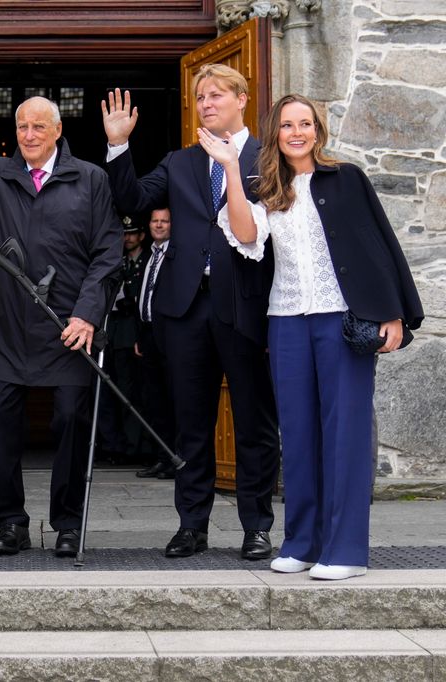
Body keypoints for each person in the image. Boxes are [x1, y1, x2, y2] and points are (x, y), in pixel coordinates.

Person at [203, 93, 423, 580]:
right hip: (285, 320)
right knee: (297, 436)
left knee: (344, 434)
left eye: (305, 123)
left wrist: (392, 313)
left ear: (318, 131)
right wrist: (232, 170)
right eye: (287, 125)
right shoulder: (265, 187)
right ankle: (301, 543)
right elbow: (242, 235)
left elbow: (378, 245)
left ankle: (345, 551)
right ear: (275, 134)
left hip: (341, 319)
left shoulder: (346, 179)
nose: (296, 132)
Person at [102, 63, 280, 560]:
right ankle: (192, 525)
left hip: (246, 307)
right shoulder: (180, 162)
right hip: (184, 310)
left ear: (242, 99)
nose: (206, 103)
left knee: (254, 421)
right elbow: (133, 201)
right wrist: (119, 145)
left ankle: (256, 526)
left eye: (216, 94)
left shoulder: (268, 158)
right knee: (191, 424)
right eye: (200, 97)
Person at [0, 76, 122, 558]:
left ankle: (67, 522)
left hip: (68, 325)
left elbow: (108, 253)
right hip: (5, 324)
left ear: (58, 129)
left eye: (38, 125)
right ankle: (10, 523)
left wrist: (87, 316)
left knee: (69, 419)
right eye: (22, 125)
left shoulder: (90, 179)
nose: (28, 133)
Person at [101, 217, 150, 464]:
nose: (127, 238)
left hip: (132, 332)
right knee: (110, 391)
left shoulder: (148, 260)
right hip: (112, 330)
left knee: (131, 392)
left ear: (141, 235)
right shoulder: (116, 261)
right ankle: (114, 445)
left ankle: (135, 446)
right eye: (124, 234)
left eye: (132, 233)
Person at [134, 207, 177, 480]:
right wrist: (140, 335)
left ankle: (175, 458)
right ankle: (162, 457)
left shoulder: (176, 255)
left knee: (173, 400)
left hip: (170, 338)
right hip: (147, 336)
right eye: (155, 221)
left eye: (164, 221)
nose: (159, 226)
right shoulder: (148, 255)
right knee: (153, 401)